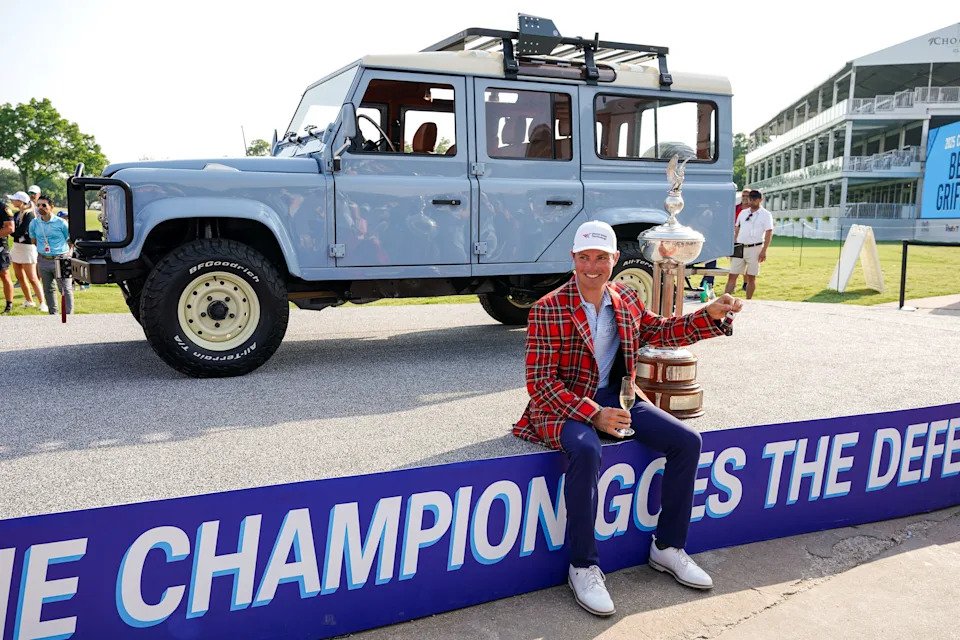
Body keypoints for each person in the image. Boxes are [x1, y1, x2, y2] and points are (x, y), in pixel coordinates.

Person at [514, 220, 743, 617]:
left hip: (617, 397)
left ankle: (668, 547)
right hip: (563, 403)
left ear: (616, 259)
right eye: (585, 257)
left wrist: (709, 314)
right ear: (573, 258)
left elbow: (663, 331)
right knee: (587, 450)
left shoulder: (625, 298)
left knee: (687, 442)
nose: (592, 266)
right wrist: (594, 414)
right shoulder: (548, 308)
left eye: (601, 257)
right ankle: (583, 567)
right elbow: (541, 384)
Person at [724, 189, 773, 300]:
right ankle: (725, 301)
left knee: (751, 277)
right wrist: (732, 246)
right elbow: (737, 229)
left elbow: (769, 232)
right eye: (751, 198)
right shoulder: (743, 213)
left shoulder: (766, 214)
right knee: (732, 275)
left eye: (755, 198)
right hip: (739, 246)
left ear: (761, 199)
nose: (752, 201)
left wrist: (764, 250)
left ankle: (749, 301)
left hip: (755, 248)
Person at [29, 195, 73, 315]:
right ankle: (53, 316)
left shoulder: (61, 223)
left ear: (51, 207)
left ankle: (69, 317)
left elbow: (70, 241)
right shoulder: (34, 223)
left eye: (44, 205)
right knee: (48, 289)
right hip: (43, 260)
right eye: (38, 205)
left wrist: (66, 254)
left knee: (65, 289)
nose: (40, 207)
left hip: (61, 259)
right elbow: (33, 240)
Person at [6, 191, 47, 311]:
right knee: (19, 276)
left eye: (14, 199)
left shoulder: (30, 215)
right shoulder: (17, 213)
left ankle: (43, 303)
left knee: (33, 278)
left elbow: (20, 231)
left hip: (27, 248)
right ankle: (29, 301)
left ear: (21, 201)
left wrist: (12, 232)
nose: (12, 201)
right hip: (17, 246)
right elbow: (15, 231)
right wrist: (13, 232)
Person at [0, 201, 13, 314]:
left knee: (4, 275)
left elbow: (10, 228)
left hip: (0, 246)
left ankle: (9, 305)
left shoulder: (3, 207)